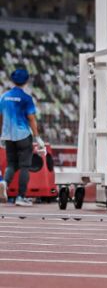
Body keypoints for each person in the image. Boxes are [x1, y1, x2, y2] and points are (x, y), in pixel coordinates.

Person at [0, 67, 43, 206]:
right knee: (25, 166)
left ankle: (4, 183)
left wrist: (2, 134)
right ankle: (21, 197)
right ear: (26, 81)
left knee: (11, 164)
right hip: (23, 135)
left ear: (12, 80)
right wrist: (37, 137)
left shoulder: (4, 97)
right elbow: (31, 118)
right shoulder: (26, 98)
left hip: (8, 135)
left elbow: (0, 117)